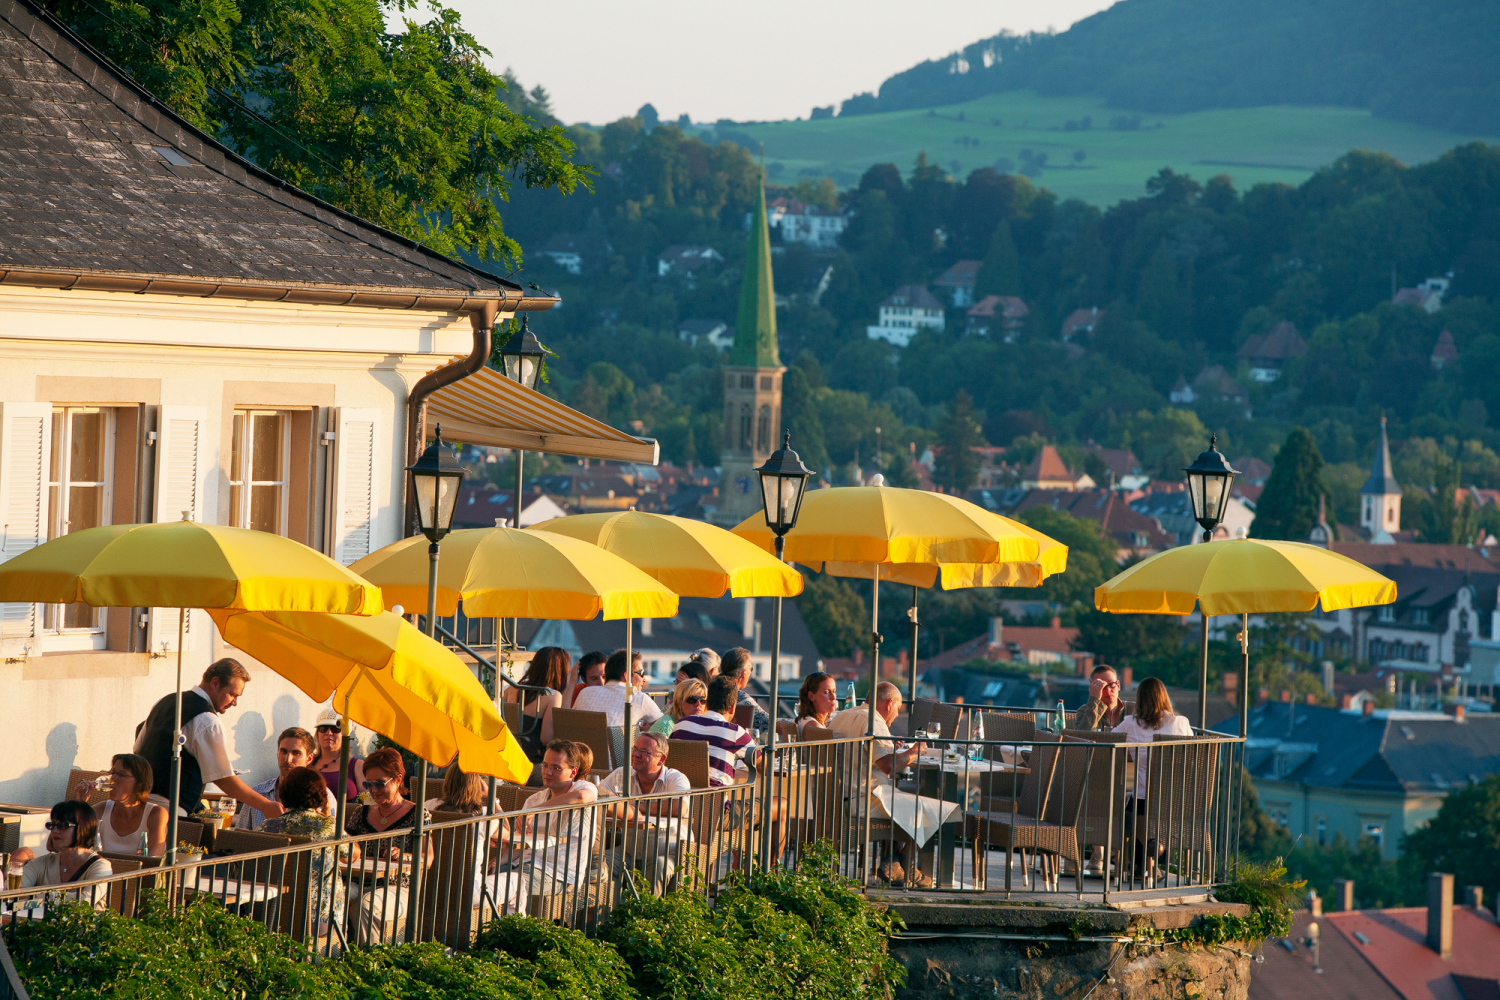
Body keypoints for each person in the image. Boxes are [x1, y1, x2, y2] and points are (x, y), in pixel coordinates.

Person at [133, 658, 282, 820]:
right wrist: (265, 805)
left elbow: (138, 749)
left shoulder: (164, 701)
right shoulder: (207, 721)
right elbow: (223, 778)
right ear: (215, 683)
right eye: (232, 694)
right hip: (171, 814)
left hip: (136, 806)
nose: (234, 703)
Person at [828, 682, 930, 887]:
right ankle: (906, 863)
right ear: (890, 703)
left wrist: (891, 746)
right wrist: (915, 751)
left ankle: (892, 862)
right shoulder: (874, 720)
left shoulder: (841, 715)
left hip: (837, 797)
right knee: (926, 810)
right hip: (862, 800)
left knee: (898, 800)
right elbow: (888, 766)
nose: (894, 717)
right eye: (897, 710)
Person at [492, 740, 599, 910]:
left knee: (498, 885)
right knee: (482, 878)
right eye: (545, 765)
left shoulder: (583, 787)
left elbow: (581, 797)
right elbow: (522, 844)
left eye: (556, 768)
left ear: (573, 772)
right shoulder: (534, 800)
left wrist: (534, 811)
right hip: (526, 863)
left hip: (559, 874)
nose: (547, 772)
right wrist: (498, 861)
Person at [344, 747, 431, 941]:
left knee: (363, 905)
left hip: (396, 886)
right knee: (332, 896)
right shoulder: (361, 813)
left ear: (398, 780)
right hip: (357, 880)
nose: (373, 790)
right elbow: (347, 849)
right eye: (368, 784)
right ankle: (331, 954)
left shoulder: (417, 815)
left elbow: (428, 858)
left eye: (380, 784)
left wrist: (406, 855)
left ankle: (370, 961)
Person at [1112, 677, 1194, 881]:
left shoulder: (1130, 723)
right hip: (1177, 801)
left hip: (1144, 799)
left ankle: (1141, 861)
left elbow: (1107, 741)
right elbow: (1193, 756)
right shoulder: (1181, 723)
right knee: (1149, 812)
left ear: (1139, 699)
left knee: (1126, 813)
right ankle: (1155, 852)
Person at [598, 732, 691, 893]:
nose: (636, 754)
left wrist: (633, 805)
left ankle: (646, 916)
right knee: (600, 863)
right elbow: (600, 796)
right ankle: (609, 912)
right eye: (635, 749)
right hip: (628, 850)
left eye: (645, 751)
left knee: (658, 867)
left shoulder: (675, 778)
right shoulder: (622, 774)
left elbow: (679, 808)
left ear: (661, 759)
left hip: (667, 853)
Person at [259, 767, 344, 931]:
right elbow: (352, 856)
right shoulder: (328, 826)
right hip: (320, 919)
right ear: (321, 795)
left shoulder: (268, 825)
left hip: (275, 917)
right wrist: (329, 817)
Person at [234, 727, 334, 830]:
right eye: (283, 751)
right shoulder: (257, 793)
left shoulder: (322, 796)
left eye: (296, 753)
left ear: (309, 759)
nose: (287, 759)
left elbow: (335, 838)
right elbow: (238, 837)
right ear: (277, 753)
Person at [74, 753, 167, 856]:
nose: (113, 779)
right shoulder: (101, 810)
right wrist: (79, 804)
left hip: (139, 872)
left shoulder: (155, 814)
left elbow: (153, 860)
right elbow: (72, 847)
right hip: (102, 872)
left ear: (140, 782)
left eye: (122, 774)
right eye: (113, 773)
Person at [670, 676, 754, 786]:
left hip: (680, 797)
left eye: (702, 700)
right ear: (733, 707)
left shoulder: (681, 725)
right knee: (781, 800)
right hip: (715, 800)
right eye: (692, 699)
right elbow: (765, 767)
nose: (698, 704)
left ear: (707, 703)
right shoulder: (736, 733)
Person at [17, 801, 113, 888]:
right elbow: (10, 891)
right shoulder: (43, 863)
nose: (54, 831)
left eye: (62, 826)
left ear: (82, 828)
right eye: (53, 825)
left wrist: (36, 898)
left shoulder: (100, 866)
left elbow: (86, 900)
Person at [572, 648, 663, 731]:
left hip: (584, 748)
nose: (644, 679)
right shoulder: (638, 698)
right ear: (626, 676)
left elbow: (570, 722)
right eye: (641, 673)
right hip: (618, 749)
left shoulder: (585, 692)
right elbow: (666, 729)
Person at [504, 645, 568, 760]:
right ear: (561, 670)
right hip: (532, 761)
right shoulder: (552, 695)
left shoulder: (512, 688)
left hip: (508, 755)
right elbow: (546, 739)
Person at [310, 707, 366, 804]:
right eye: (323, 728)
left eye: (335, 729)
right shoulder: (307, 763)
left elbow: (369, 802)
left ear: (344, 734)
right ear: (317, 733)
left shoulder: (357, 765)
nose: (329, 733)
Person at [719, 647, 770, 741]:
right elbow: (770, 722)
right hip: (734, 745)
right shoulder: (739, 696)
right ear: (744, 672)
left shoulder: (708, 689)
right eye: (751, 669)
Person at [1073, 664, 1131, 731]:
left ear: (1118, 685)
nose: (1108, 690)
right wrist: (1094, 700)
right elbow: (1081, 737)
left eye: (1111, 684)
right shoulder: (1084, 711)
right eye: (1101, 686)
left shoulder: (1132, 710)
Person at [795, 671, 838, 739]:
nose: (833, 697)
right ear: (811, 696)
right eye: (826, 692)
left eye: (834, 691)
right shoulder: (814, 727)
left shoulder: (807, 720)